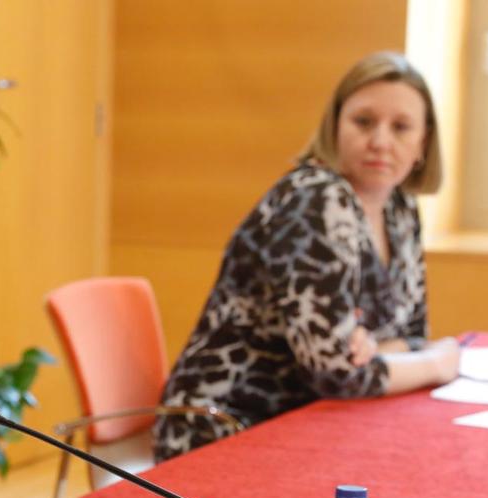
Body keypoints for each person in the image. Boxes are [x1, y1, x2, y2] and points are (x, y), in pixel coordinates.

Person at [154, 52, 460, 462]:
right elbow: (337, 373)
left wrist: (378, 349)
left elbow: (412, 333)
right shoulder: (314, 200)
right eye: (364, 122)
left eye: (401, 127)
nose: (380, 141)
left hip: (317, 422)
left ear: (423, 143)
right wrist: (438, 363)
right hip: (228, 429)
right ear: (335, 126)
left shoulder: (400, 208)